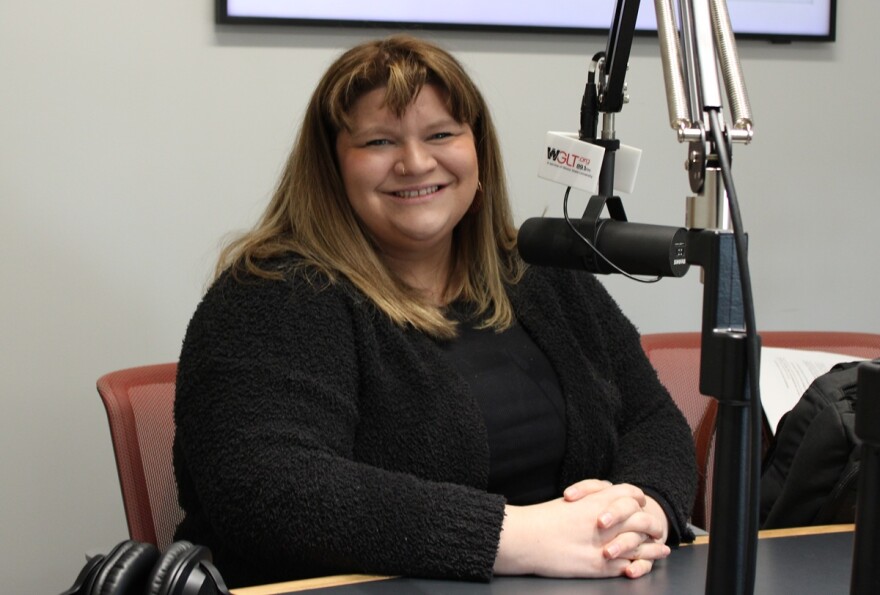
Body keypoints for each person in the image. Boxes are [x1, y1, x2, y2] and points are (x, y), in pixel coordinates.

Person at [172, 34, 697, 589]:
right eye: (379, 141)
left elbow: (651, 417)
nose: (416, 163)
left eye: (442, 133)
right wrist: (515, 538)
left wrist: (642, 509)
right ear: (331, 166)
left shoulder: (538, 272)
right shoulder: (272, 293)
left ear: (478, 150)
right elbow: (266, 487)